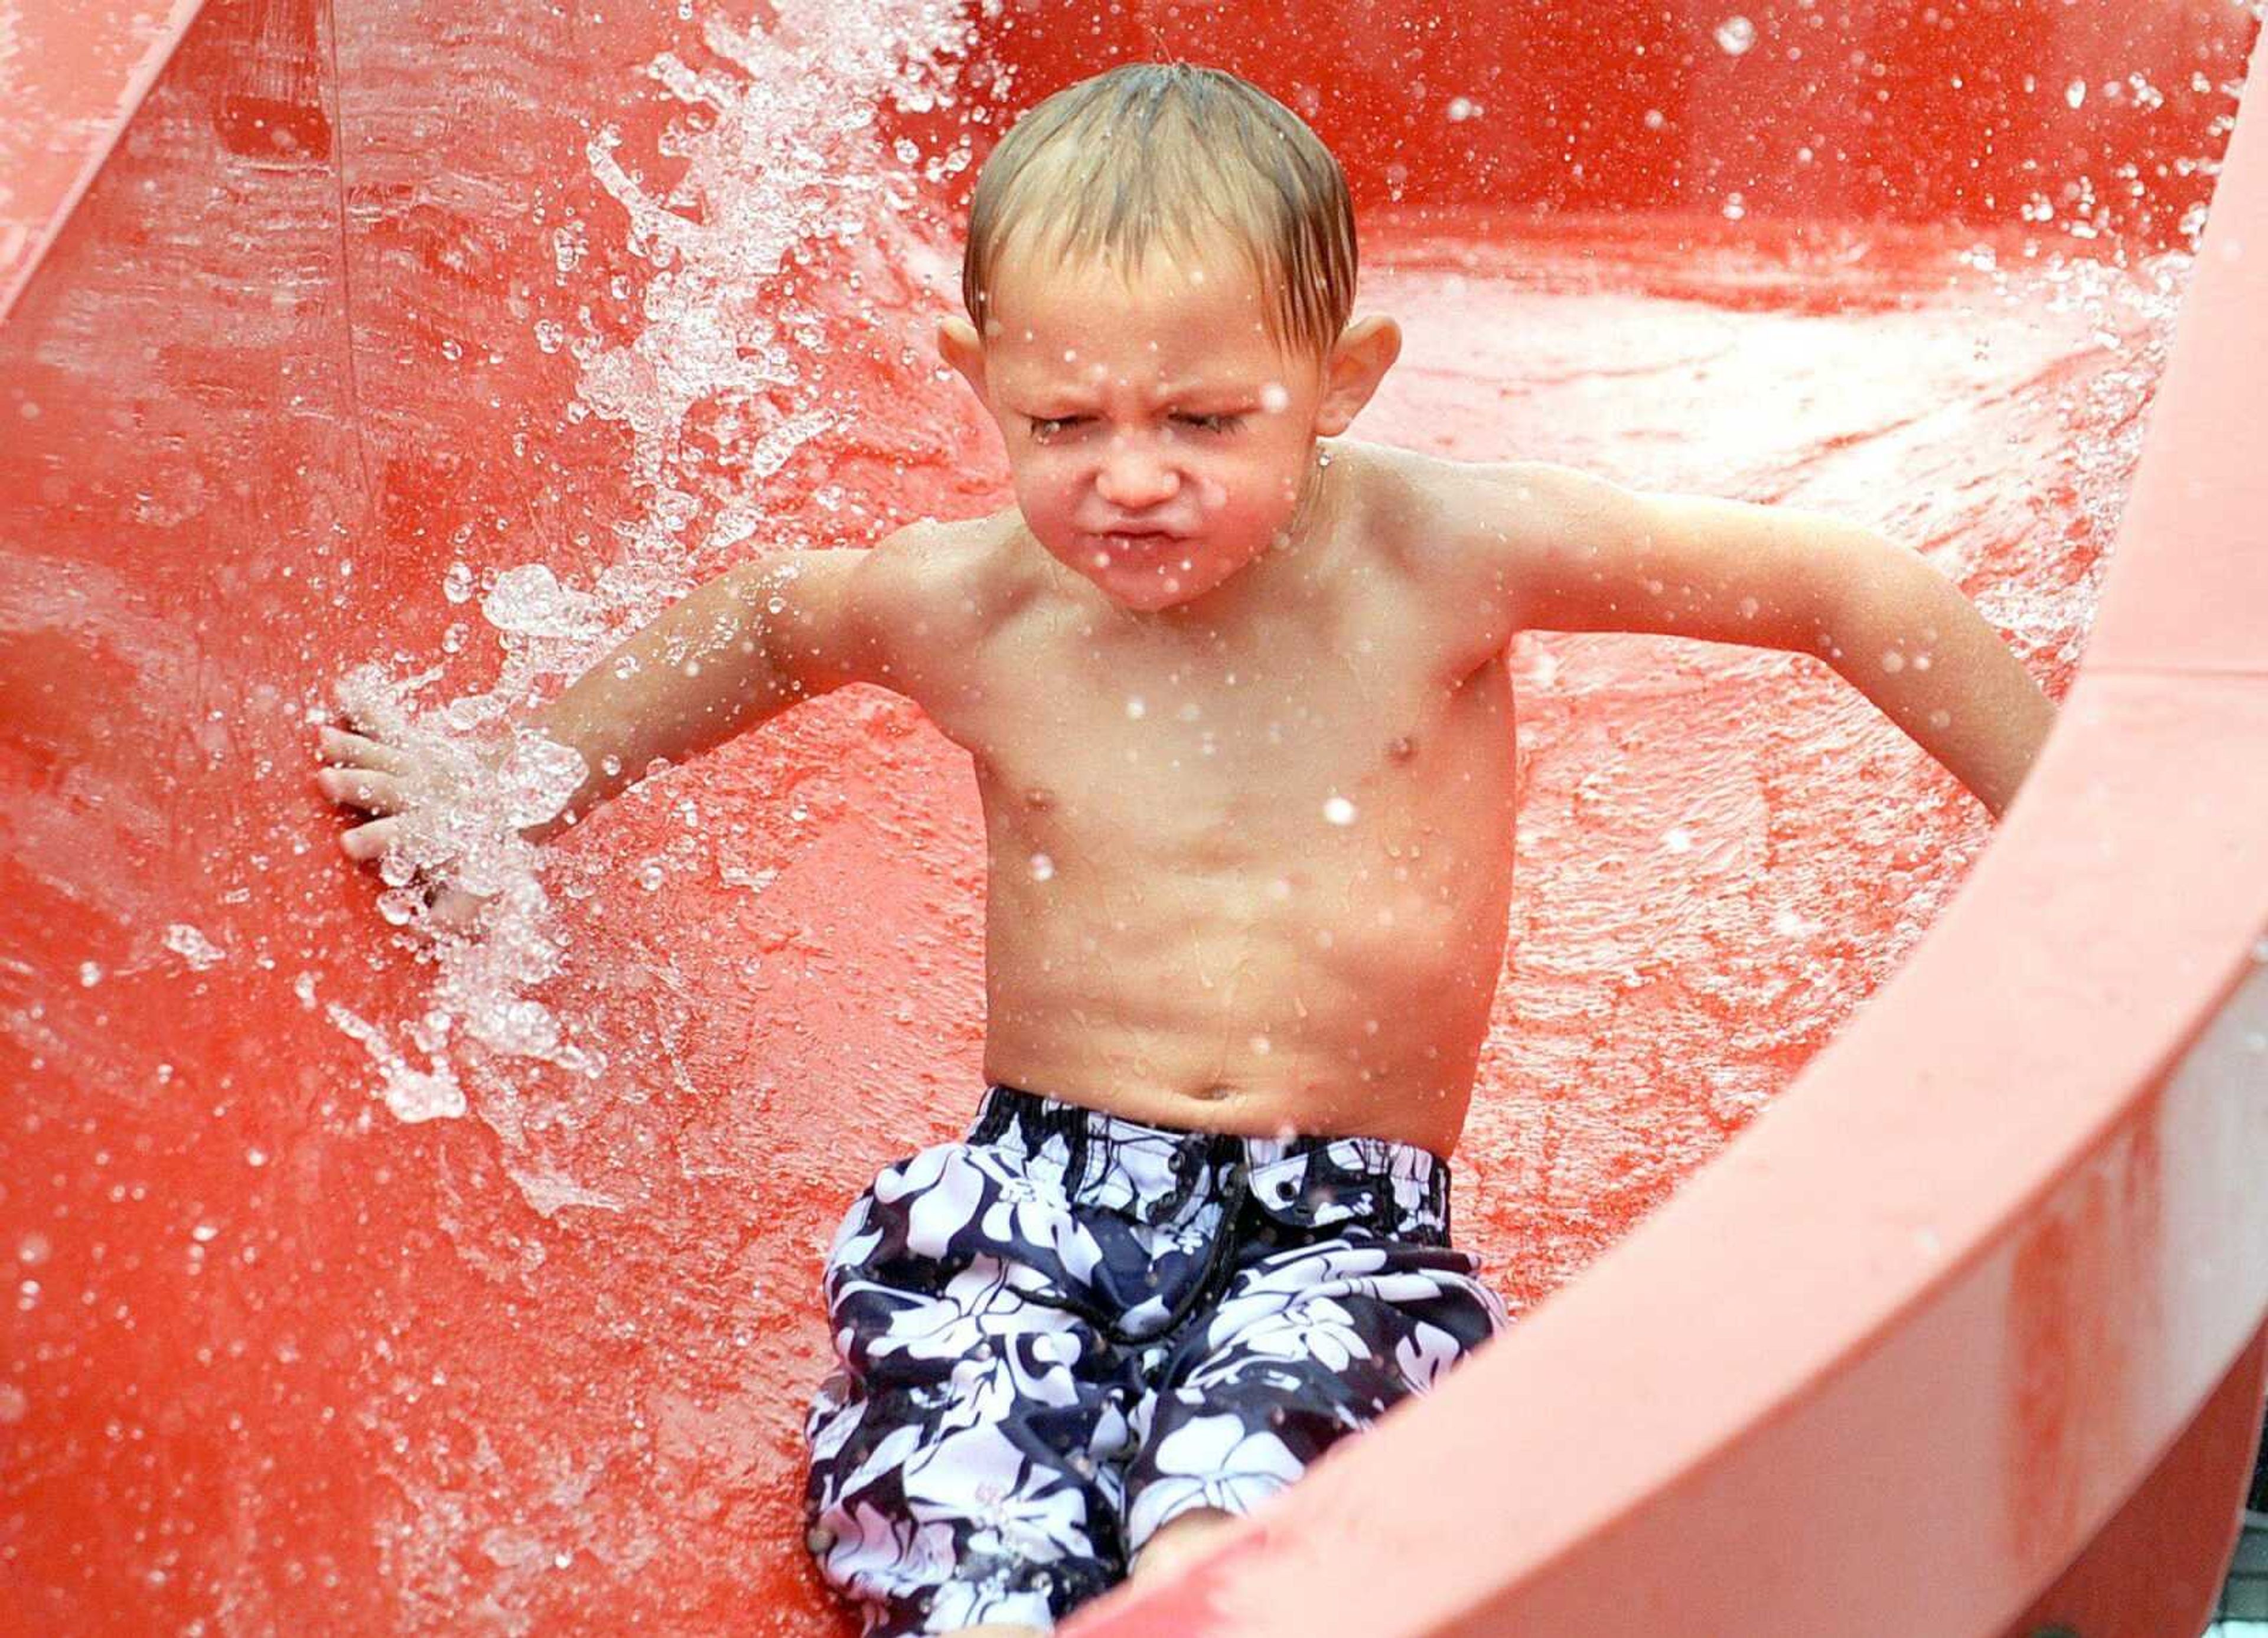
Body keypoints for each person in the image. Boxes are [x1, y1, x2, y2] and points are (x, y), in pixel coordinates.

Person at [317, 61, 2055, 1638]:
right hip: (1027, 1197)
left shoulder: (1443, 559)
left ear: (1341, 386)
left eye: (1203, 421)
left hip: (1342, 1232)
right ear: (979, 383)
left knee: (1238, 1522)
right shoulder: (973, 605)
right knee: (949, 1514)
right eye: (1064, 426)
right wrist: (515, 785)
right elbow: (770, 626)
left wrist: (2059, 822)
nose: (1129, 479)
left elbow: (1839, 587)